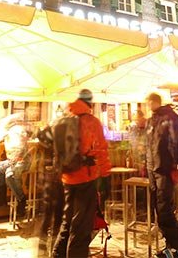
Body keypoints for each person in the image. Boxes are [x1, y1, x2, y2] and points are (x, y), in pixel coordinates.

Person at [53, 89, 111, 258]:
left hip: (66, 178)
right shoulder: (91, 122)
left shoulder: (63, 120)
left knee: (68, 220)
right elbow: (101, 150)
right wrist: (106, 176)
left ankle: (57, 254)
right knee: (82, 226)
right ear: (90, 103)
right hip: (86, 177)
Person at [145, 93, 178, 258]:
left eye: (148, 102)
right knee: (158, 208)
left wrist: (176, 165)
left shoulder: (170, 117)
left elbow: (177, 142)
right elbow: (149, 145)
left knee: (165, 210)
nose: (147, 105)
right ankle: (170, 248)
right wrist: (147, 165)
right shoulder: (152, 120)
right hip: (153, 169)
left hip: (165, 168)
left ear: (154, 102)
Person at [0, 113, 31, 217]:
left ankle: (22, 199)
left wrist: (17, 156)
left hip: (23, 160)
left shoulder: (18, 130)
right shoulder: (9, 131)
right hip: (13, 160)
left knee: (10, 175)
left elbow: (21, 147)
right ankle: (1, 202)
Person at [35, 125, 65, 257]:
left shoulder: (47, 146)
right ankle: (53, 250)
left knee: (48, 217)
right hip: (58, 183)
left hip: (51, 184)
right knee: (56, 217)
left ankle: (43, 251)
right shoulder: (57, 146)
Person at [128, 109, 148, 177]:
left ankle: (140, 180)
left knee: (140, 165)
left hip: (140, 148)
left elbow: (131, 137)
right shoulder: (147, 122)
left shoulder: (133, 125)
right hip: (142, 147)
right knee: (142, 165)